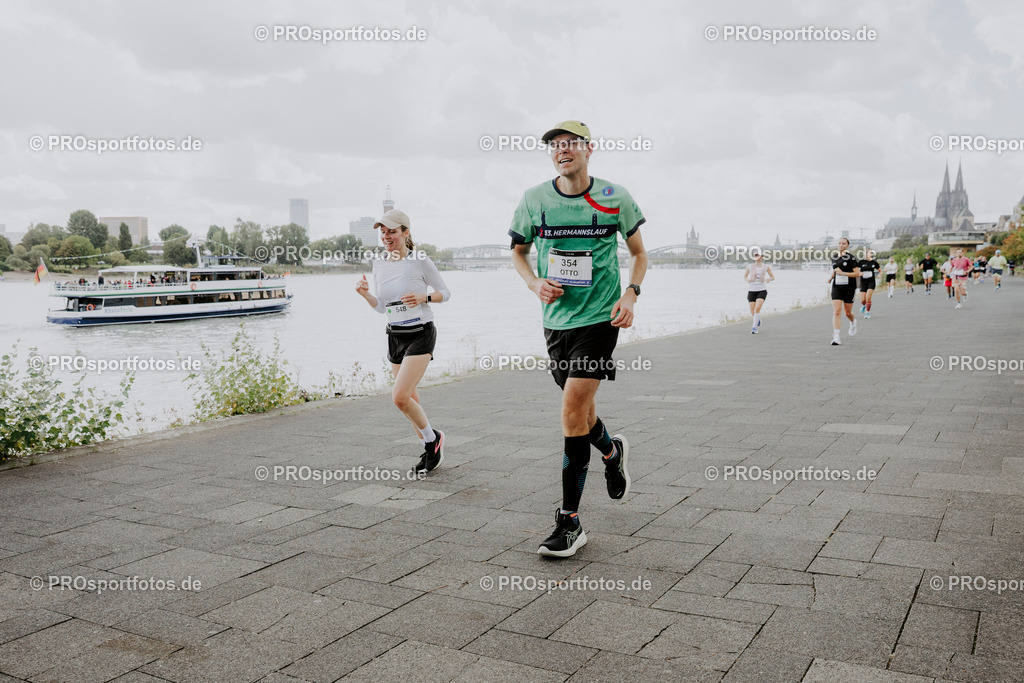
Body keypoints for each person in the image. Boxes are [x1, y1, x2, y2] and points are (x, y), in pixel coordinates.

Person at [509, 120, 648, 558]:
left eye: (569, 144)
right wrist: (534, 283)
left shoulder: (614, 196)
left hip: (600, 319)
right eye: (554, 145)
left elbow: (640, 254)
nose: (560, 150)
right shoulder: (534, 199)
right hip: (556, 323)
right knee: (582, 416)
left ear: (588, 149)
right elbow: (518, 251)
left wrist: (631, 294)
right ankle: (611, 452)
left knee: (570, 411)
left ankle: (569, 523)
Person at [356, 208, 450, 474]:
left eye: (392, 231)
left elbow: (445, 292)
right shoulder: (379, 263)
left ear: (405, 232)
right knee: (410, 398)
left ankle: (434, 440)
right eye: (382, 232)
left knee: (399, 398)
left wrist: (425, 298)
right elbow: (382, 306)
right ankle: (429, 447)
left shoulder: (419, 260)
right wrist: (365, 295)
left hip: (420, 333)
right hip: (394, 335)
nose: (386, 236)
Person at [828, 237, 860, 346]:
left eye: (843, 243)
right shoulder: (834, 257)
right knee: (837, 311)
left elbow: (857, 274)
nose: (841, 245)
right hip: (836, 286)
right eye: (839, 243)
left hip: (849, 287)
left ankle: (852, 322)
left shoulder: (851, 258)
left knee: (847, 312)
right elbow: (835, 270)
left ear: (847, 246)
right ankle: (836, 337)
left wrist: (844, 273)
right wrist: (831, 277)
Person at [744, 248, 774, 333]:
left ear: (762, 257)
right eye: (756, 256)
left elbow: (773, 276)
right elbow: (745, 276)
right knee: (753, 312)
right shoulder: (750, 266)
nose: (758, 257)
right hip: (752, 290)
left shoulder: (766, 267)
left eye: (759, 256)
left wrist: (769, 279)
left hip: (762, 290)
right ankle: (757, 319)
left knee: (757, 308)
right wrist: (747, 280)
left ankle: (754, 328)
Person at [858, 250, 880, 318]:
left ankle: (867, 313)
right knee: (862, 300)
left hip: (871, 282)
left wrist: (880, 275)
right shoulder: (861, 262)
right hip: (863, 282)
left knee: (868, 297)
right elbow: (855, 269)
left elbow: (880, 270)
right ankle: (863, 305)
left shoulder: (874, 262)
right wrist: (859, 273)